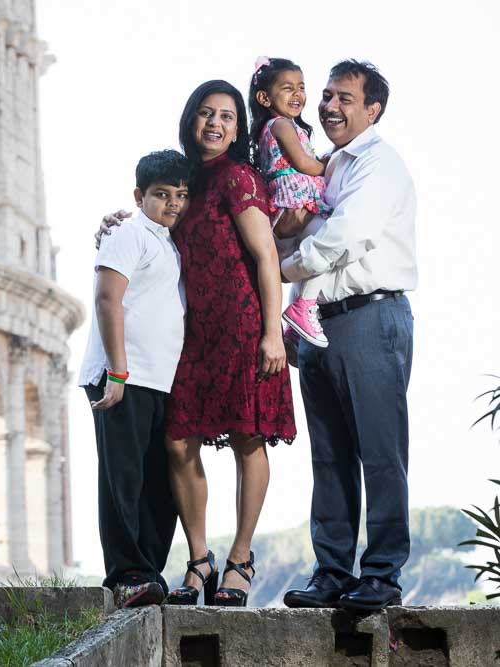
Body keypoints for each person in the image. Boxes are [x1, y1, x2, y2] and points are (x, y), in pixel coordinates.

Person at [97, 81, 296, 607]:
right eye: (206, 114)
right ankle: (200, 558)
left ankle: (240, 559)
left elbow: (266, 258)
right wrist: (119, 219)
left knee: (246, 439)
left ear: (239, 128)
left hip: (243, 329)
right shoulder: (183, 181)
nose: (216, 124)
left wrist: (272, 332)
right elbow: (153, 227)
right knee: (178, 441)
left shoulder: (237, 178)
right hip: (191, 335)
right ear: (190, 120)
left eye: (227, 117)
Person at [280, 60, 417, 612]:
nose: (330, 106)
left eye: (345, 98)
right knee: (329, 456)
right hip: (320, 323)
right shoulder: (326, 167)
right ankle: (332, 572)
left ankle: (381, 575)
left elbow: (349, 233)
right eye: (328, 96)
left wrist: (286, 270)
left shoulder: (378, 164)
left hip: (370, 316)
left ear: (372, 110)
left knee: (380, 452)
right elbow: (304, 225)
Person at [78, 149, 191, 608]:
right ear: (138, 196)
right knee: (122, 478)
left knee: (158, 482)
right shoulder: (128, 231)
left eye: (181, 195)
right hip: (122, 376)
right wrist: (117, 373)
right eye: (162, 195)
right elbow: (109, 299)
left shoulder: (167, 239)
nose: (172, 204)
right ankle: (126, 575)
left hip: (159, 379)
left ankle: (148, 574)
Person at [248, 56, 333, 353]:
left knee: (305, 259)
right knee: (329, 241)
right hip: (294, 200)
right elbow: (302, 164)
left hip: (283, 207)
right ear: (264, 97)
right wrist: (326, 165)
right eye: (288, 88)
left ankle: (294, 328)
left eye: (301, 87)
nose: (298, 94)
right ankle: (303, 308)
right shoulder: (282, 125)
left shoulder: (272, 127)